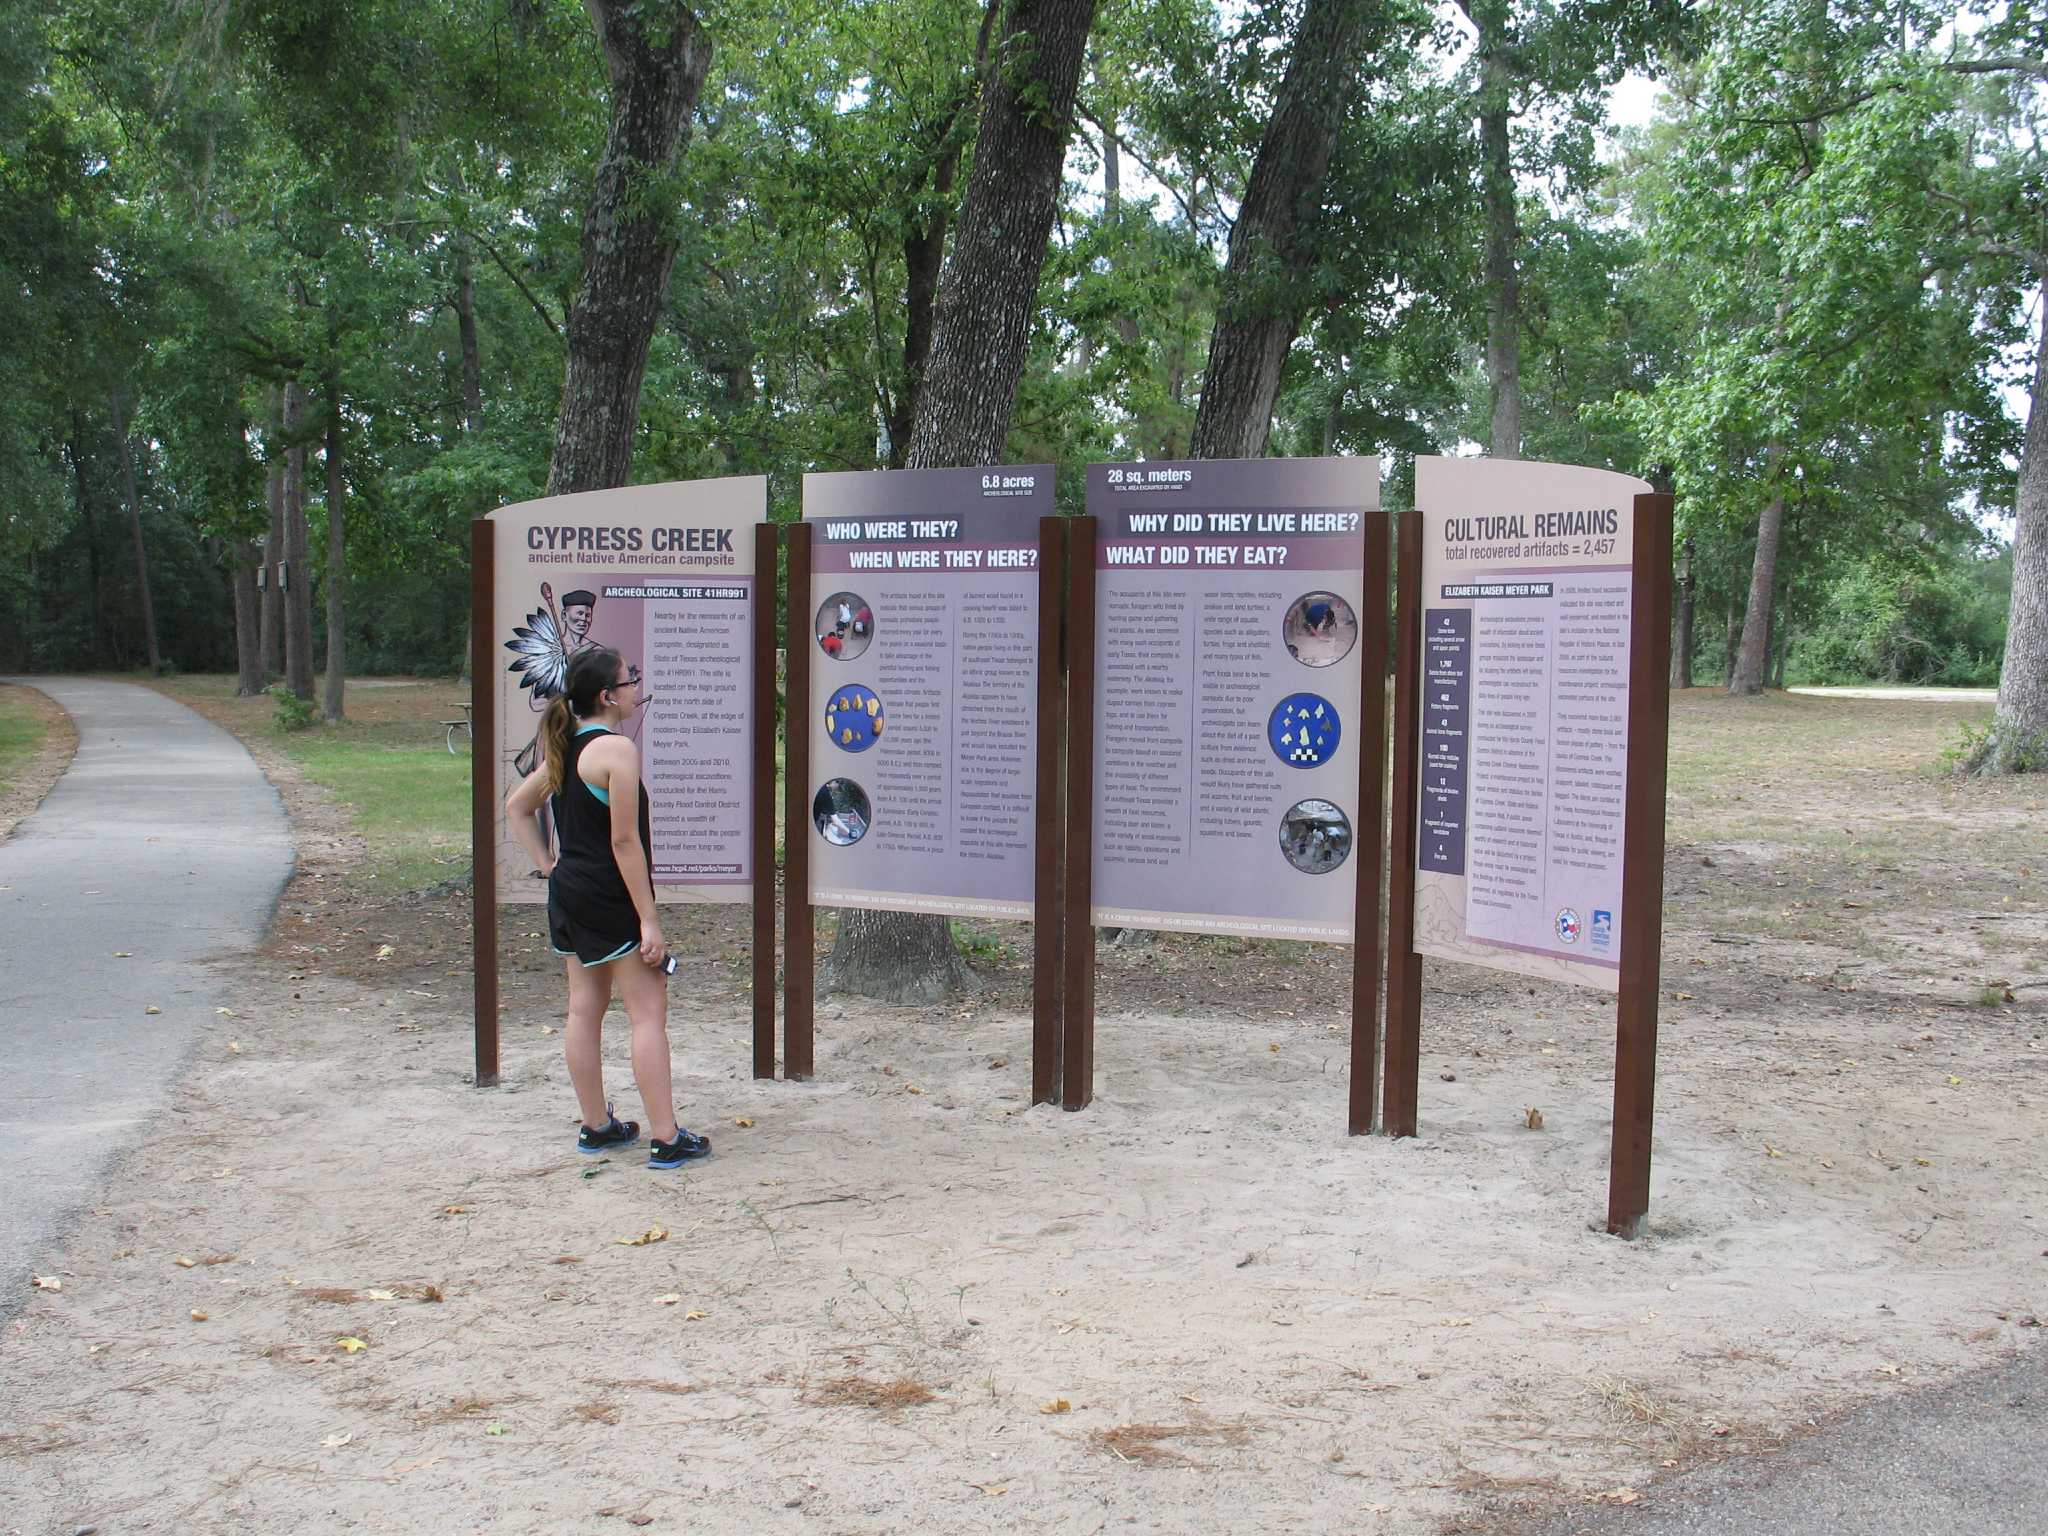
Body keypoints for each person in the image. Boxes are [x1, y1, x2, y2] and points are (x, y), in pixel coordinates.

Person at [505, 646, 710, 1170]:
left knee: (583, 1007)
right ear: (607, 696)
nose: (635, 686)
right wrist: (648, 919)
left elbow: (517, 807)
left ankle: (597, 1126)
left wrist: (550, 865)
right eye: (629, 679)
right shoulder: (616, 751)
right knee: (647, 1014)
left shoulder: (563, 745)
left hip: (571, 891)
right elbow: (624, 842)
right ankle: (666, 1137)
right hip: (610, 894)